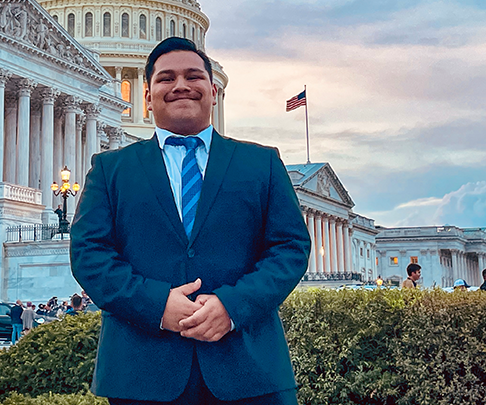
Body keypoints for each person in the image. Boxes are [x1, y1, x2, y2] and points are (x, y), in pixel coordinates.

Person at [70, 37, 311, 405]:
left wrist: (232, 307)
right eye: (166, 78)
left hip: (251, 371)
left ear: (213, 91)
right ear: (146, 96)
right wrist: (157, 305)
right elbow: (89, 254)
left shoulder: (261, 163)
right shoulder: (110, 169)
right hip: (142, 375)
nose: (181, 85)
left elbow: (290, 248)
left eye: (193, 76)